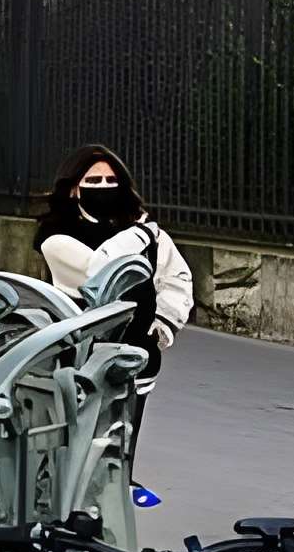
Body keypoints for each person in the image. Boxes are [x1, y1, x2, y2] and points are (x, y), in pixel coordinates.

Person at [36, 146, 195, 440]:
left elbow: (175, 275)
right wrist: (143, 234)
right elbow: (99, 271)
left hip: (138, 356)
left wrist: (162, 326)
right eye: (94, 181)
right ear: (74, 189)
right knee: (85, 442)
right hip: (83, 360)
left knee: (125, 440)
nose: (105, 188)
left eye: (112, 181)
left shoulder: (136, 228)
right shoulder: (55, 235)